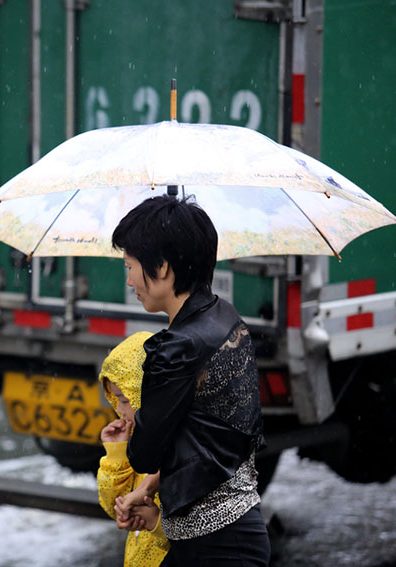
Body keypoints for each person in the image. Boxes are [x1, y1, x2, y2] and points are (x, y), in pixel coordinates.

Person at [111, 194, 270, 567]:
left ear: (162, 268)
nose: (131, 279)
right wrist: (150, 488)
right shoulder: (224, 316)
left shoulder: (177, 347)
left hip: (213, 549)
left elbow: (144, 453)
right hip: (237, 533)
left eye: (131, 266)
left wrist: (133, 419)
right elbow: (208, 436)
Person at [97, 331, 169, 567]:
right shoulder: (141, 444)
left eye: (125, 399)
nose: (119, 408)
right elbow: (114, 507)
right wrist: (116, 452)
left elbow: (203, 539)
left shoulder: (180, 448)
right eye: (115, 398)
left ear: (145, 393)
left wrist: (156, 523)